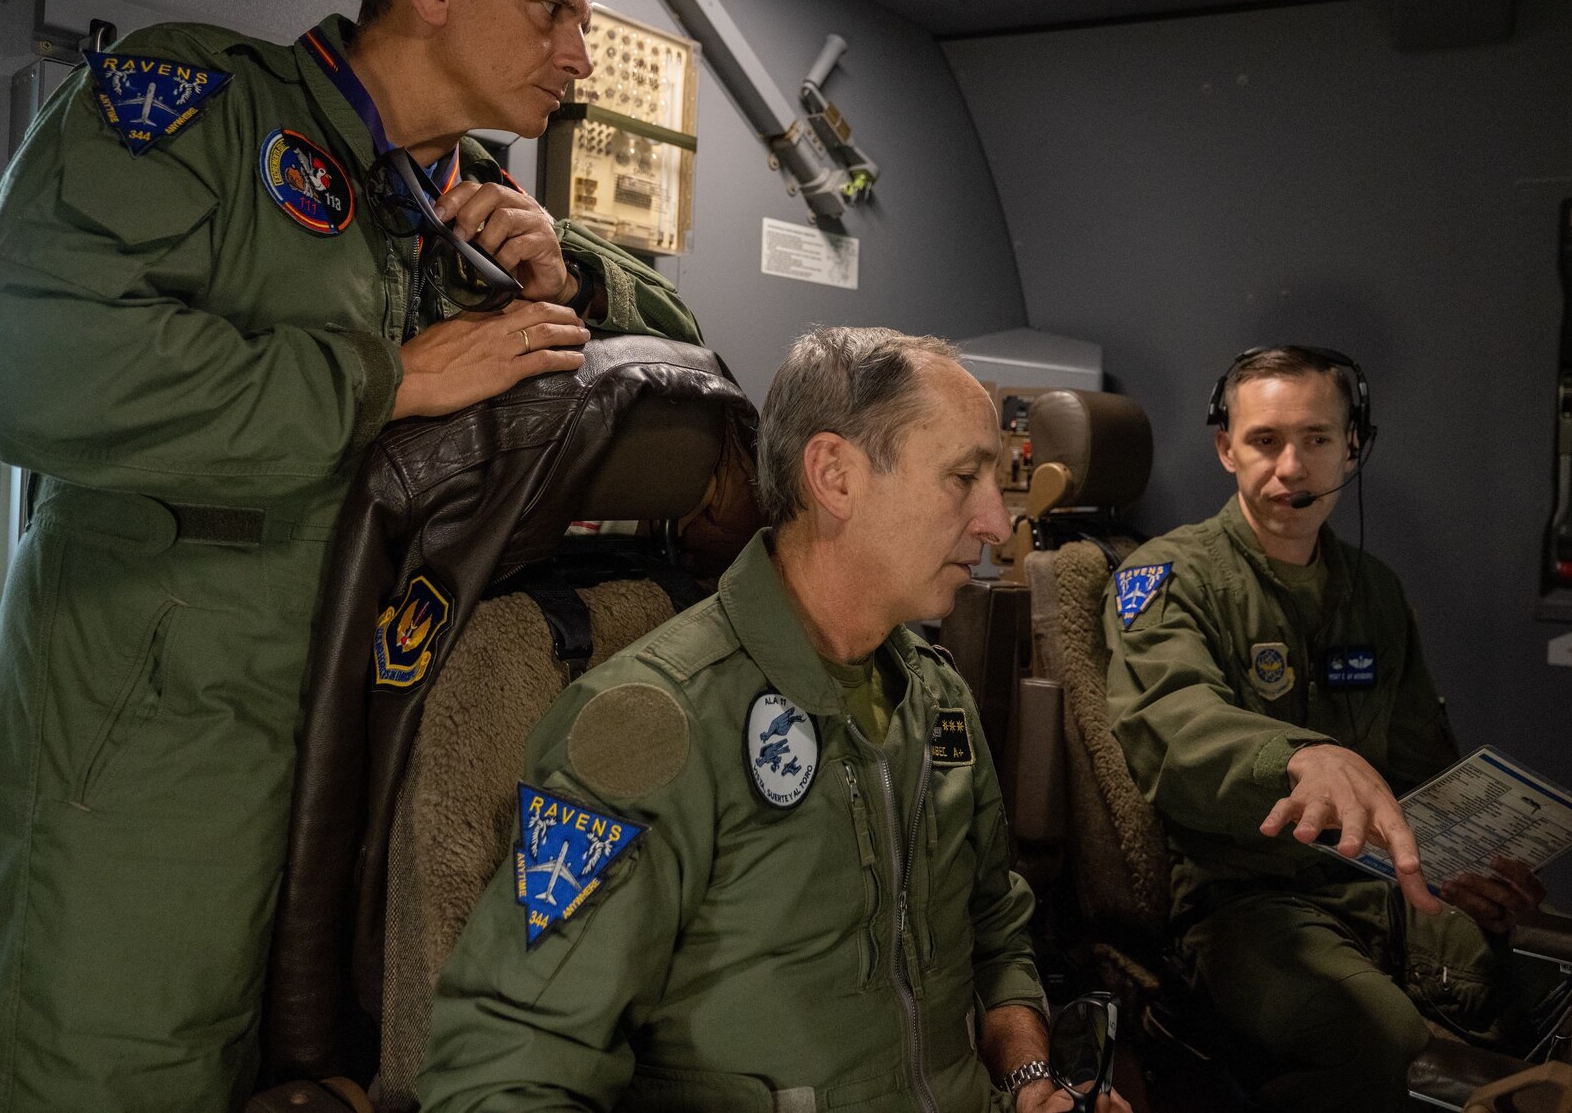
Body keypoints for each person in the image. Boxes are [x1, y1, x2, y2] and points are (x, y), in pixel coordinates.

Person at [0, 0, 701, 1112]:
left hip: (355, 758)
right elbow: (36, 364)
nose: (581, 53)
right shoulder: (201, 107)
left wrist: (572, 280)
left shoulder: (466, 207)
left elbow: (690, 398)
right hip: (153, 760)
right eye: (555, 10)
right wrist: (387, 378)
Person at [419, 327, 1129, 1113]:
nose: (996, 521)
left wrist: (1029, 1080)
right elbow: (508, 1067)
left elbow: (996, 929)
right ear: (835, 475)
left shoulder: (936, 698)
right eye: (964, 477)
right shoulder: (653, 721)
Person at [1103, 345, 1547, 1113]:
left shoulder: (1374, 593)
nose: (1290, 469)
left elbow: (1419, 771)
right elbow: (1174, 724)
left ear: (1353, 445)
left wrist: (1468, 864)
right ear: (1225, 448)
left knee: (1529, 984)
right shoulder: (1168, 577)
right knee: (1375, 1038)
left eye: (1315, 440)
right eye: (1266, 440)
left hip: (1372, 885)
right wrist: (1304, 756)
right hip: (1239, 898)